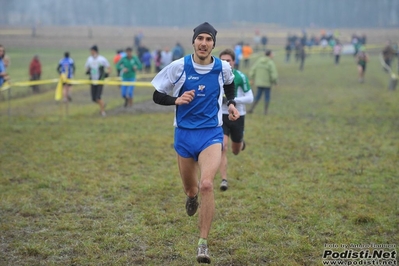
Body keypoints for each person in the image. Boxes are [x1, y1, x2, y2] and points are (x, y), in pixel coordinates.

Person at [151, 22, 239, 264]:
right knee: (192, 189)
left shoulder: (222, 67)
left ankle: (203, 244)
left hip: (211, 133)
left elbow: (230, 84)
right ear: (193, 42)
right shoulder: (178, 67)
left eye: (208, 39)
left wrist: (230, 103)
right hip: (184, 136)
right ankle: (191, 197)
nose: (203, 43)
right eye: (199, 38)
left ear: (213, 44)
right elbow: (157, 94)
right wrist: (176, 100)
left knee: (207, 184)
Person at [218, 48, 253, 191]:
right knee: (223, 147)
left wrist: (232, 100)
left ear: (234, 62)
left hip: (238, 115)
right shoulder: (215, 76)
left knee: (235, 150)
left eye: (228, 61)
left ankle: (240, 143)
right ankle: (224, 179)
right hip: (221, 116)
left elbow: (250, 98)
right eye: (223, 61)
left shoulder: (240, 76)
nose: (226, 63)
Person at [248, 49, 278, 115]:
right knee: (267, 97)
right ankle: (265, 111)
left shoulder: (259, 61)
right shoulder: (270, 63)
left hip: (259, 83)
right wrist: (275, 81)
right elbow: (273, 74)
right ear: (270, 55)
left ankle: (251, 108)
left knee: (257, 96)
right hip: (267, 83)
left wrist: (252, 78)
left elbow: (253, 70)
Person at [85, 45, 110, 116]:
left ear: (95, 51)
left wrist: (106, 74)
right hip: (92, 81)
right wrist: (88, 71)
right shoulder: (89, 59)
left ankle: (103, 112)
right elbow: (87, 67)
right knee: (93, 99)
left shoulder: (102, 59)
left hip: (100, 81)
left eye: (92, 51)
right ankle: (103, 104)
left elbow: (109, 67)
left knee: (98, 97)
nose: (91, 52)